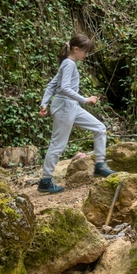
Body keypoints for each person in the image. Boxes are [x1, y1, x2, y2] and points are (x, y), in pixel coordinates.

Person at [37, 33, 115, 194]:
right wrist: (85, 100)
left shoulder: (67, 63)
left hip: (70, 106)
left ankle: (100, 165)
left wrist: (44, 103)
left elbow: (52, 85)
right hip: (65, 106)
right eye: (85, 52)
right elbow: (64, 88)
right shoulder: (69, 64)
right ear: (76, 49)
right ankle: (45, 181)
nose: (86, 55)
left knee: (99, 128)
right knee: (57, 145)